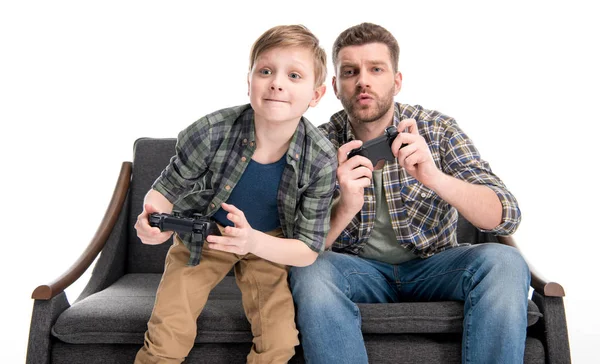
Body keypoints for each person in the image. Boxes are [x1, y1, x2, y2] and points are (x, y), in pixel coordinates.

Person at [289, 23, 530, 363]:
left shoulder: (437, 129)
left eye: (376, 69)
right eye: (350, 72)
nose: (363, 81)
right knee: (310, 271)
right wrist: (344, 206)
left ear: (396, 81)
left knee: (505, 261)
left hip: (436, 268)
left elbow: (505, 215)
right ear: (335, 87)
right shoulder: (316, 145)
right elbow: (295, 250)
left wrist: (435, 178)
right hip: (358, 272)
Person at [133, 25, 337, 364]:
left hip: (267, 243)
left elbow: (308, 251)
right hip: (205, 233)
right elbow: (167, 188)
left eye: (294, 75)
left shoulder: (321, 157)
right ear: (249, 80)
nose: (277, 83)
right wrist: (153, 220)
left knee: (280, 340)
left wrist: (253, 242)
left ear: (315, 95)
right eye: (266, 71)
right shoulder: (212, 130)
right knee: (169, 331)